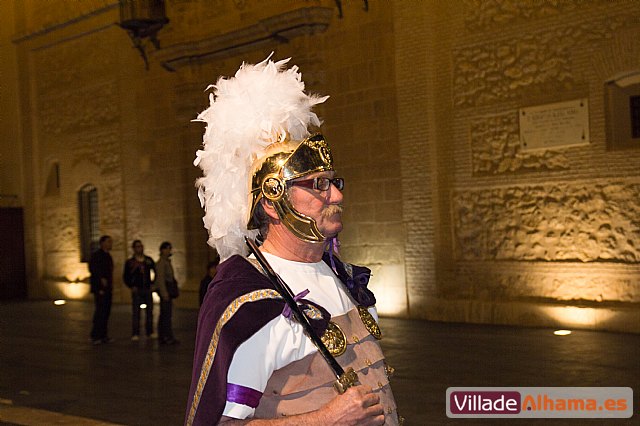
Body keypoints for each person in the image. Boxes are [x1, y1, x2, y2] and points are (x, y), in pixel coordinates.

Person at [185, 57, 400, 425]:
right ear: (272, 201)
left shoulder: (344, 278)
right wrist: (323, 419)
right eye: (318, 184)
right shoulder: (249, 302)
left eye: (334, 182)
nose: (335, 196)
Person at [123, 240, 156, 341]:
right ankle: (135, 333)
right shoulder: (130, 262)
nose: (139, 248)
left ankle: (149, 332)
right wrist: (131, 286)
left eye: (141, 246)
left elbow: (156, 272)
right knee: (136, 312)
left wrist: (153, 284)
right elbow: (125, 276)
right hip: (137, 290)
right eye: (137, 247)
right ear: (134, 248)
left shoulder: (148, 260)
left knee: (149, 312)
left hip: (147, 289)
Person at [89, 235, 114, 345]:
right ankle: (95, 335)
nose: (110, 244)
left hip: (107, 288)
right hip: (99, 288)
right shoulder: (96, 256)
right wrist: (100, 281)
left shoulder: (108, 256)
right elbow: (94, 270)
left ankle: (103, 335)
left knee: (106, 312)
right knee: (100, 311)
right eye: (108, 242)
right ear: (102, 243)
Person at [155, 241, 178, 345]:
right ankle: (164, 336)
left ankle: (167, 335)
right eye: (167, 248)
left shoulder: (166, 262)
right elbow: (160, 279)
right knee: (165, 314)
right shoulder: (161, 263)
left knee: (167, 314)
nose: (169, 251)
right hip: (166, 291)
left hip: (168, 290)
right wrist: (164, 293)